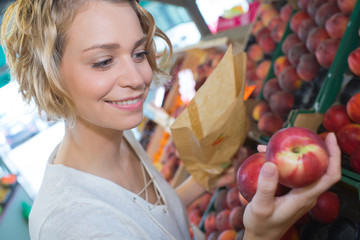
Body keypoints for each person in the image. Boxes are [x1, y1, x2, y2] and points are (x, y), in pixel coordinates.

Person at [1, 0, 341, 239]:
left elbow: (143, 222)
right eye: (104, 61)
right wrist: (260, 233)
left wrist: (198, 183)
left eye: (137, 53)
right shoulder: (72, 225)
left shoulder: (112, 138)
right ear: (49, 78)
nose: (138, 77)